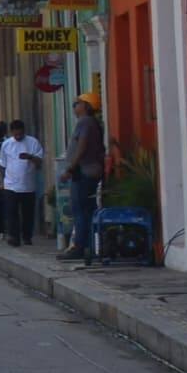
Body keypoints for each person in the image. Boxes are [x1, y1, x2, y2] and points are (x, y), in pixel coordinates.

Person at [59, 97, 109, 263]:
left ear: (86, 106)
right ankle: (89, 246)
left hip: (84, 172)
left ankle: (80, 246)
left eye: (78, 103)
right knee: (87, 210)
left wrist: (70, 168)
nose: (74, 106)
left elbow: (82, 146)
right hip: (89, 171)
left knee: (80, 210)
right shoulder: (91, 123)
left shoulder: (86, 122)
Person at [0, 118, 41, 247]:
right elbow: (2, 164)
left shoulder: (33, 142)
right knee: (11, 211)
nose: (18, 136)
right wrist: (2, 180)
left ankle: (27, 236)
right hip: (10, 184)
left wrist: (30, 157)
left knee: (28, 213)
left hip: (28, 185)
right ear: (12, 132)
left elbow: (39, 162)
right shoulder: (6, 144)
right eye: (16, 134)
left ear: (24, 131)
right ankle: (14, 236)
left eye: (20, 134)